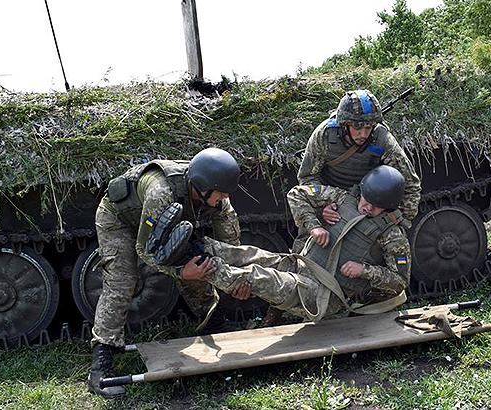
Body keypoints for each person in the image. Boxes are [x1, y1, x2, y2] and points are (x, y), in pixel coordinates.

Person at [159, 165, 411, 326]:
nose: (366, 207)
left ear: (388, 208)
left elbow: (400, 282)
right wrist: (314, 224)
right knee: (247, 254)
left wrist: (364, 271)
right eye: (365, 200)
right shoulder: (343, 198)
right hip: (302, 264)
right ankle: (192, 248)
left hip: (322, 295)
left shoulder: (391, 235)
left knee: (259, 277)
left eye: (374, 207)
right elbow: (298, 193)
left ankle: (209, 269)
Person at [88, 147, 243, 398]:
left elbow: (232, 243)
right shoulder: (162, 192)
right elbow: (145, 250)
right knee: (122, 280)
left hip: (167, 224)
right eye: (221, 194)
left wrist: (237, 278)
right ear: (202, 187)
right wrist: (182, 272)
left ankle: (212, 323)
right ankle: (101, 363)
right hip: (120, 220)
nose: (224, 198)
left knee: (198, 261)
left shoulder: (217, 194)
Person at [296, 89, 421, 236]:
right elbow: (307, 178)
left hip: (369, 204)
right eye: (357, 128)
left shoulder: (382, 139)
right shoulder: (324, 135)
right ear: (345, 124)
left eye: (368, 127)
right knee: (307, 249)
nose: (363, 134)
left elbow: (410, 184)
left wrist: (398, 219)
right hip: (331, 201)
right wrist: (323, 208)